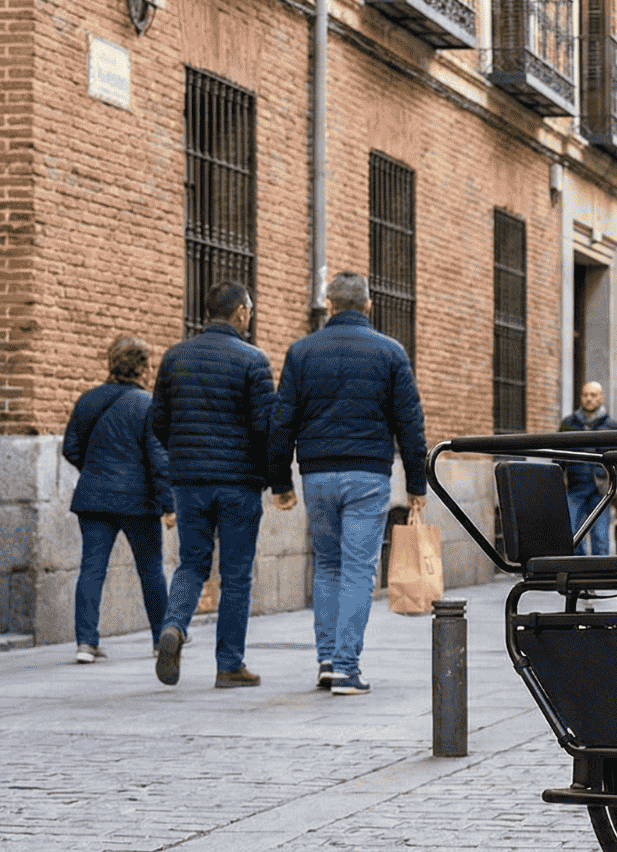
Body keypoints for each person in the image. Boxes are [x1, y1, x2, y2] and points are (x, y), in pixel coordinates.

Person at [268, 272, 428, 696]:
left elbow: (282, 419)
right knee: (358, 568)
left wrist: (279, 480)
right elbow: (409, 423)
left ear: (329, 304)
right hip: (368, 474)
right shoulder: (390, 352)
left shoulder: (301, 352)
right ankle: (345, 666)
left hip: (316, 474)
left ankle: (326, 660)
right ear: (369, 305)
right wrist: (417, 482)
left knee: (327, 565)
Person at [151, 281, 278, 689]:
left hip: (189, 481)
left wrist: (184, 453)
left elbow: (157, 421)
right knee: (236, 574)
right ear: (240, 312)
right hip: (239, 483)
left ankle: (173, 625)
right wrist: (276, 479)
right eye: (251, 310)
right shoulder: (253, 360)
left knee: (192, 563)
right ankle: (229, 665)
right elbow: (264, 428)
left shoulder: (174, 357)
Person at [64, 335, 173, 664]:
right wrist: (169, 505)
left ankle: (85, 643)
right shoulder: (147, 404)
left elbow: (70, 448)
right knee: (151, 569)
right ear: (142, 368)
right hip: (137, 502)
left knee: (91, 569)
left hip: (93, 498)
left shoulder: (87, 400)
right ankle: (159, 640)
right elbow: (158, 459)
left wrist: (96, 470)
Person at [558, 381, 617, 558]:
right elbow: (558, 459)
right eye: (585, 395)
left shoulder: (613, 426)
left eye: (593, 395)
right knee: (572, 536)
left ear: (601, 397)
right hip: (574, 488)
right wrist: (555, 487)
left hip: (601, 490)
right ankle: (581, 579)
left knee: (601, 537)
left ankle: (598, 578)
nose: (589, 399)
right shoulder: (569, 424)